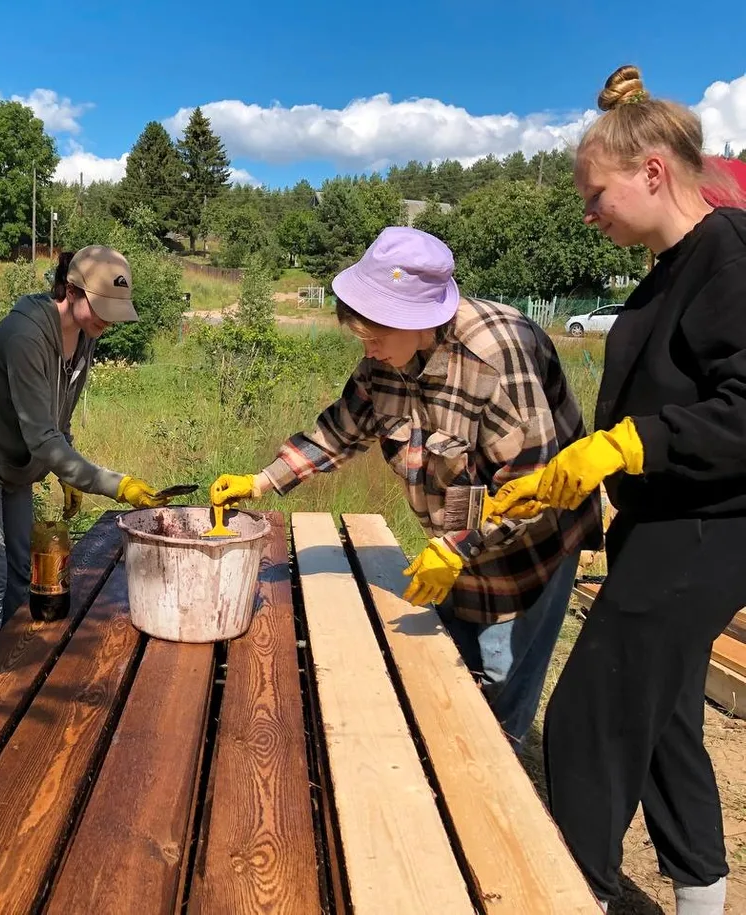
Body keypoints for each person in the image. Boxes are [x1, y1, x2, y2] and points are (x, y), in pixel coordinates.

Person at [491, 66, 746, 914]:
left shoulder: (728, 253)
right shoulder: (666, 270)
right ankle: (704, 900)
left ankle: (574, 894)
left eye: (596, 194)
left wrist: (626, 444)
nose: (589, 213)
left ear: (653, 172)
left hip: (710, 527)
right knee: (667, 719)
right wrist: (569, 490)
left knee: (586, 719)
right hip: (665, 524)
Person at [210, 226, 601, 750]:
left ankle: (497, 782)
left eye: (375, 337)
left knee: (498, 680)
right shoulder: (383, 359)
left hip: (531, 551)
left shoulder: (495, 356)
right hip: (455, 541)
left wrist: (458, 549)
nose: (367, 350)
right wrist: (261, 480)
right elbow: (341, 428)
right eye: (362, 338)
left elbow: (533, 485)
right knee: (449, 667)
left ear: (421, 322)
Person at [0, 246, 168, 665]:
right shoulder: (25, 336)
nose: (108, 319)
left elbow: (57, 418)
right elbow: (43, 439)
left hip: (18, 464)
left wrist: (66, 469)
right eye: (101, 307)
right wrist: (116, 485)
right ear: (69, 289)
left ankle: (11, 668)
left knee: (22, 573)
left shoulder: (85, 334)